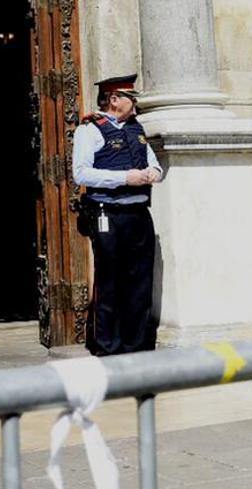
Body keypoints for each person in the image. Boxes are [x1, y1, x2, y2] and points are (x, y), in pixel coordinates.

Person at [71, 74, 163, 356]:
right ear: (113, 100)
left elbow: (154, 164)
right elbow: (81, 173)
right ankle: (108, 346)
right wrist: (125, 177)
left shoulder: (136, 128)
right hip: (108, 213)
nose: (135, 105)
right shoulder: (90, 129)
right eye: (130, 99)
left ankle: (136, 344)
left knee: (140, 281)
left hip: (138, 213)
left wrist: (153, 173)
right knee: (110, 280)